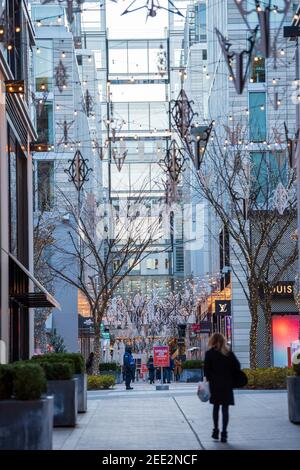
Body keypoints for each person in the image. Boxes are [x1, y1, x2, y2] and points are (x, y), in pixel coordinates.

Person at [204, 332, 241, 443]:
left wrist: (210, 379)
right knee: (225, 409)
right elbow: (237, 366)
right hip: (227, 385)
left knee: (216, 408)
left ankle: (215, 431)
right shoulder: (228, 353)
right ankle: (224, 434)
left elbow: (206, 370)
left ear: (212, 341)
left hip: (215, 385)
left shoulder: (209, 354)